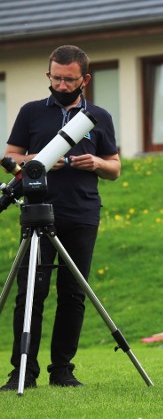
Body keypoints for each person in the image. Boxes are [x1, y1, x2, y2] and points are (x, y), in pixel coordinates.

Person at [2, 45, 120, 390]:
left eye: (69, 79)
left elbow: (114, 167)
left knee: (73, 293)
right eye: (56, 78)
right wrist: (40, 160)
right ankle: (22, 370)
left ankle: (62, 369)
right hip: (36, 211)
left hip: (81, 213)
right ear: (48, 75)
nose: (62, 85)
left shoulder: (99, 117)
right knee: (29, 295)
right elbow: (10, 157)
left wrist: (96, 163)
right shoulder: (31, 112)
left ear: (84, 79)